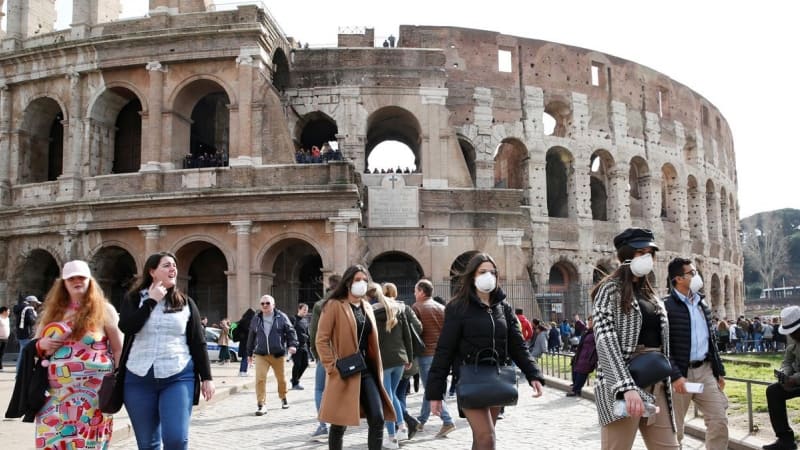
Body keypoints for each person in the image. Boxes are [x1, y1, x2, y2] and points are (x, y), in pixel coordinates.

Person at [426, 252, 544, 449]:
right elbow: (444, 351)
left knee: (482, 439)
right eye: (482, 272)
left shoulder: (504, 308)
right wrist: (435, 393)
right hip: (470, 378)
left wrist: (533, 374)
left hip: (496, 377)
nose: (488, 276)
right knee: (487, 438)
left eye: (492, 272)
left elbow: (517, 345)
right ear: (473, 275)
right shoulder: (457, 307)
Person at [592, 228, 679, 449]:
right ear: (627, 255)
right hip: (623, 382)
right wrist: (625, 387)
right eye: (641, 252)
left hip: (657, 382)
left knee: (669, 446)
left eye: (650, 252)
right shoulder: (609, 290)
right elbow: (605, 341)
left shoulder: (651, 293)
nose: (647, 257)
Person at [119, 251, 215, 450]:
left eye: (174, 265)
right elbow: (128, 327)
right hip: (138, 378)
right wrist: (151, 301)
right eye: (166, 265)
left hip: (178, 375)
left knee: (176, 439)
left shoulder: (186, 303)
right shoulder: (133, 299)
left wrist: (207, 377)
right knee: (147, 444)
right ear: (152, 271)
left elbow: (198, 342)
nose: (173, 269)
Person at [23, 260, 123, 449]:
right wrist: (41, 344)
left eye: (82, 278)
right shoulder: (53, 313)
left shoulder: (105, 310)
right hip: (55, 396)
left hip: (95, 396)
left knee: (88, 444)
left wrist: (118, 381)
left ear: (90, 281)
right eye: (71, 279)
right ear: (63, 284)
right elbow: (35, 347)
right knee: (53, 442)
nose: (77, 281)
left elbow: (119, 349)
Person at [316, 264, 396, 450]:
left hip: (367, 368)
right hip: (344, 368)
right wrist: (331, 366)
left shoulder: (367, 306)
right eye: (357, 280)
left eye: (364, 280)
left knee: (377, 417)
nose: (361, 283)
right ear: (348, 282)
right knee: (339, 422)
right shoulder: (334, 305)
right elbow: (321, 340)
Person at [664, 257, 728, 449]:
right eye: (692, 273)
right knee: (675, 431)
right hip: (680, 375)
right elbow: (663, 346)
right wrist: (675, 376)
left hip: (705, 372)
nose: (696, 276)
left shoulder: (703, 305)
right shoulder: (666, 306)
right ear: (678, 279)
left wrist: (718, 372)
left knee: (719, 420)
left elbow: (712, 342)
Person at [369, 282, 413, 448]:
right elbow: (407, 336)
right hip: (400, 358)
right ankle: (399, 430)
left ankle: (395, 434)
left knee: (387, 399)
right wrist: (408, 357)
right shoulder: (400, 309)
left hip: (384, 360)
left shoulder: (371, 312)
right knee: (392, 395)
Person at [412, 278, 456, 437]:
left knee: (432, 389)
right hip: (442, 354)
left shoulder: (417, 307)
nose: (414, 294)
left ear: (422, 292)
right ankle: (420, 421)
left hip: (426, 355)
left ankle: (448, 420)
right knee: (431, 388)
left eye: (416, 291)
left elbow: (415, 332)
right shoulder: (441, 308)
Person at [247, 294, 298, 415]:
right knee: (260, 379)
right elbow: (251, 336)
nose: (265, 305)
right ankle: (261, 404)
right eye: (262, 303)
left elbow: (291, 331)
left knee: (281, 379)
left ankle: (283, 397)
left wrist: (292, 345)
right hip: (261, 354)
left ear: (273, 305)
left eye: (267, 303)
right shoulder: (256, 318)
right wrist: (249, 354)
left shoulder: (281, 317)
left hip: (278, 354)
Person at [384, 281, 422, 440]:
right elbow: (417, 328)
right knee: (398, 394)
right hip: (404, 358)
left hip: (387, 359)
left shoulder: (376, 309)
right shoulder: (404, 308)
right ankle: (405, 423)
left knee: (391, 395)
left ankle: (403, 424)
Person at [308, 273, 341, 441]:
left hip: (325, 353)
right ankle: (340, 422)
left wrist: (315, 353)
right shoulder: (349, 303)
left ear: (329, 285)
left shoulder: (320, 305)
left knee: (320, 389)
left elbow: (314, 332)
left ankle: (323, 425)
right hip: (346, 353)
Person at [763, 305, 800, 450]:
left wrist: (794, 379)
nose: (792, 336)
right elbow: (787, 360)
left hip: (797, 379)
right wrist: (785, 374)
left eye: (795, 332)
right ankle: (785, 439)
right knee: (773, 391)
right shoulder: (792, 337)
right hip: (795, 379)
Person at [569, 316, 597, 397]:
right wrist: (578, 321)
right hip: (581, 354)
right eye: (589, 320)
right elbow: (582, 327)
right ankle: (576, 387)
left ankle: (576, 390)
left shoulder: (597, 332)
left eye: (592, 320)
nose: (590, 322)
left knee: (582, 372)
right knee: (575, 369)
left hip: (589, 356)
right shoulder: (588, 331)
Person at [14, 295, 40, 374]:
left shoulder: (21, 308)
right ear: (31, 302)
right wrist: (37, 319)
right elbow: (31, 321)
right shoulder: (28, 308)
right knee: (23, 354)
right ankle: (19, 373)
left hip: (22, 333)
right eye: (35, 303)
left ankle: (20, 372)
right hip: (27, 334)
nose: (36, 305)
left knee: (23, 353)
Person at [290, 303, 310, 390]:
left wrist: (308, 340)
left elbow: (307, 332)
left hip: (304, 345)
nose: (305, 312)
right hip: (296, 346)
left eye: (306, 310)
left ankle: (295, 379)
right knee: (297, 364)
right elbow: (289, 331)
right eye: (304, 310)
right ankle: (295, 383)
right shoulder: (293, 319)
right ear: (299, 309)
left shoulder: (305, 321)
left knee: (305, 364)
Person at [232, 308, 255, 376]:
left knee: (245, 357)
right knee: (246, 357)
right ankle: (243, 371)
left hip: (242, 342)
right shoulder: (250, 323)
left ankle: (243, 371)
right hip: (248, 342)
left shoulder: (242, 321)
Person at [0, 306, 9, 371]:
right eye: (8, 311)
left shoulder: (7, 318)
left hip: (5, 338)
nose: (9, 312)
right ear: (4, 311)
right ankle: (0, 367)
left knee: (2, 353)